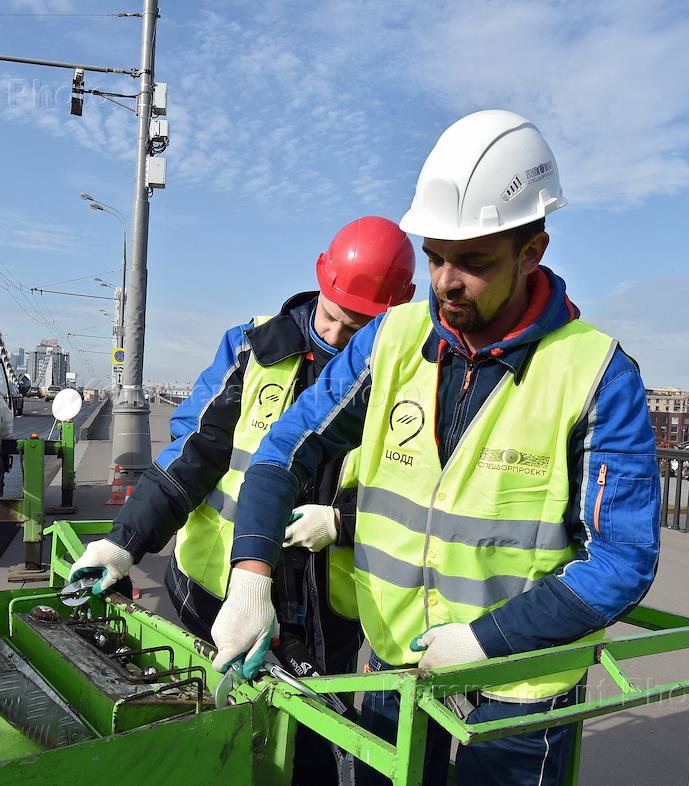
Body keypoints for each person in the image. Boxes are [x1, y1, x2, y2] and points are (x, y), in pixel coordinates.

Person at [210, 110, 662, 786]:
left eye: (473, 263)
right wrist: (251, 577)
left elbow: (622, 560)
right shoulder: (390, 339)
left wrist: (486, 641)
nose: (446, 282)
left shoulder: (596, 374)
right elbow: (283, 450)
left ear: (531, 252)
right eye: (435, 257)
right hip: (396, 667)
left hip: (518, 689)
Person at [69, 216, 416, 784]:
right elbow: (193, 458)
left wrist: (343, 522)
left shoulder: (406, 373)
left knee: (307, 744)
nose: (337, 339)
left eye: (359, 331)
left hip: (323, 606)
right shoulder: (253, 349)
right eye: (333, 319)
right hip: (214, 592)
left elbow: (424, 496)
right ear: (320, 282)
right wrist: (122, 542)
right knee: (204, 730)